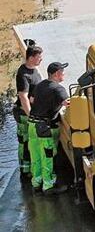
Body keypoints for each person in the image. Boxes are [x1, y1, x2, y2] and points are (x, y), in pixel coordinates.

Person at [28, 62, 69, 193]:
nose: (64, 74)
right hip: (44, 127)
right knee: (47, 155)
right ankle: (48, 186)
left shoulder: (40, 85)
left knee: (36, 155)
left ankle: (36, 182)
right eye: (63, 72)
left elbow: (32, 100)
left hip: (32, 125)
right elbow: (68, 103)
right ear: (57, 74)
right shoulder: (58, 89)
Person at [13, 42, 43, 178]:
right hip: (24, 113)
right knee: (25, 141)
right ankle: (25, 171)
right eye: (39, 57)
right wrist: (30, 115)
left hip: (33, 110)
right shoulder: (23, 74)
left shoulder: (34, 70)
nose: (41, 59)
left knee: (31, 141)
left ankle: (31, 167)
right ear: (31, 58)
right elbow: (23, 96)